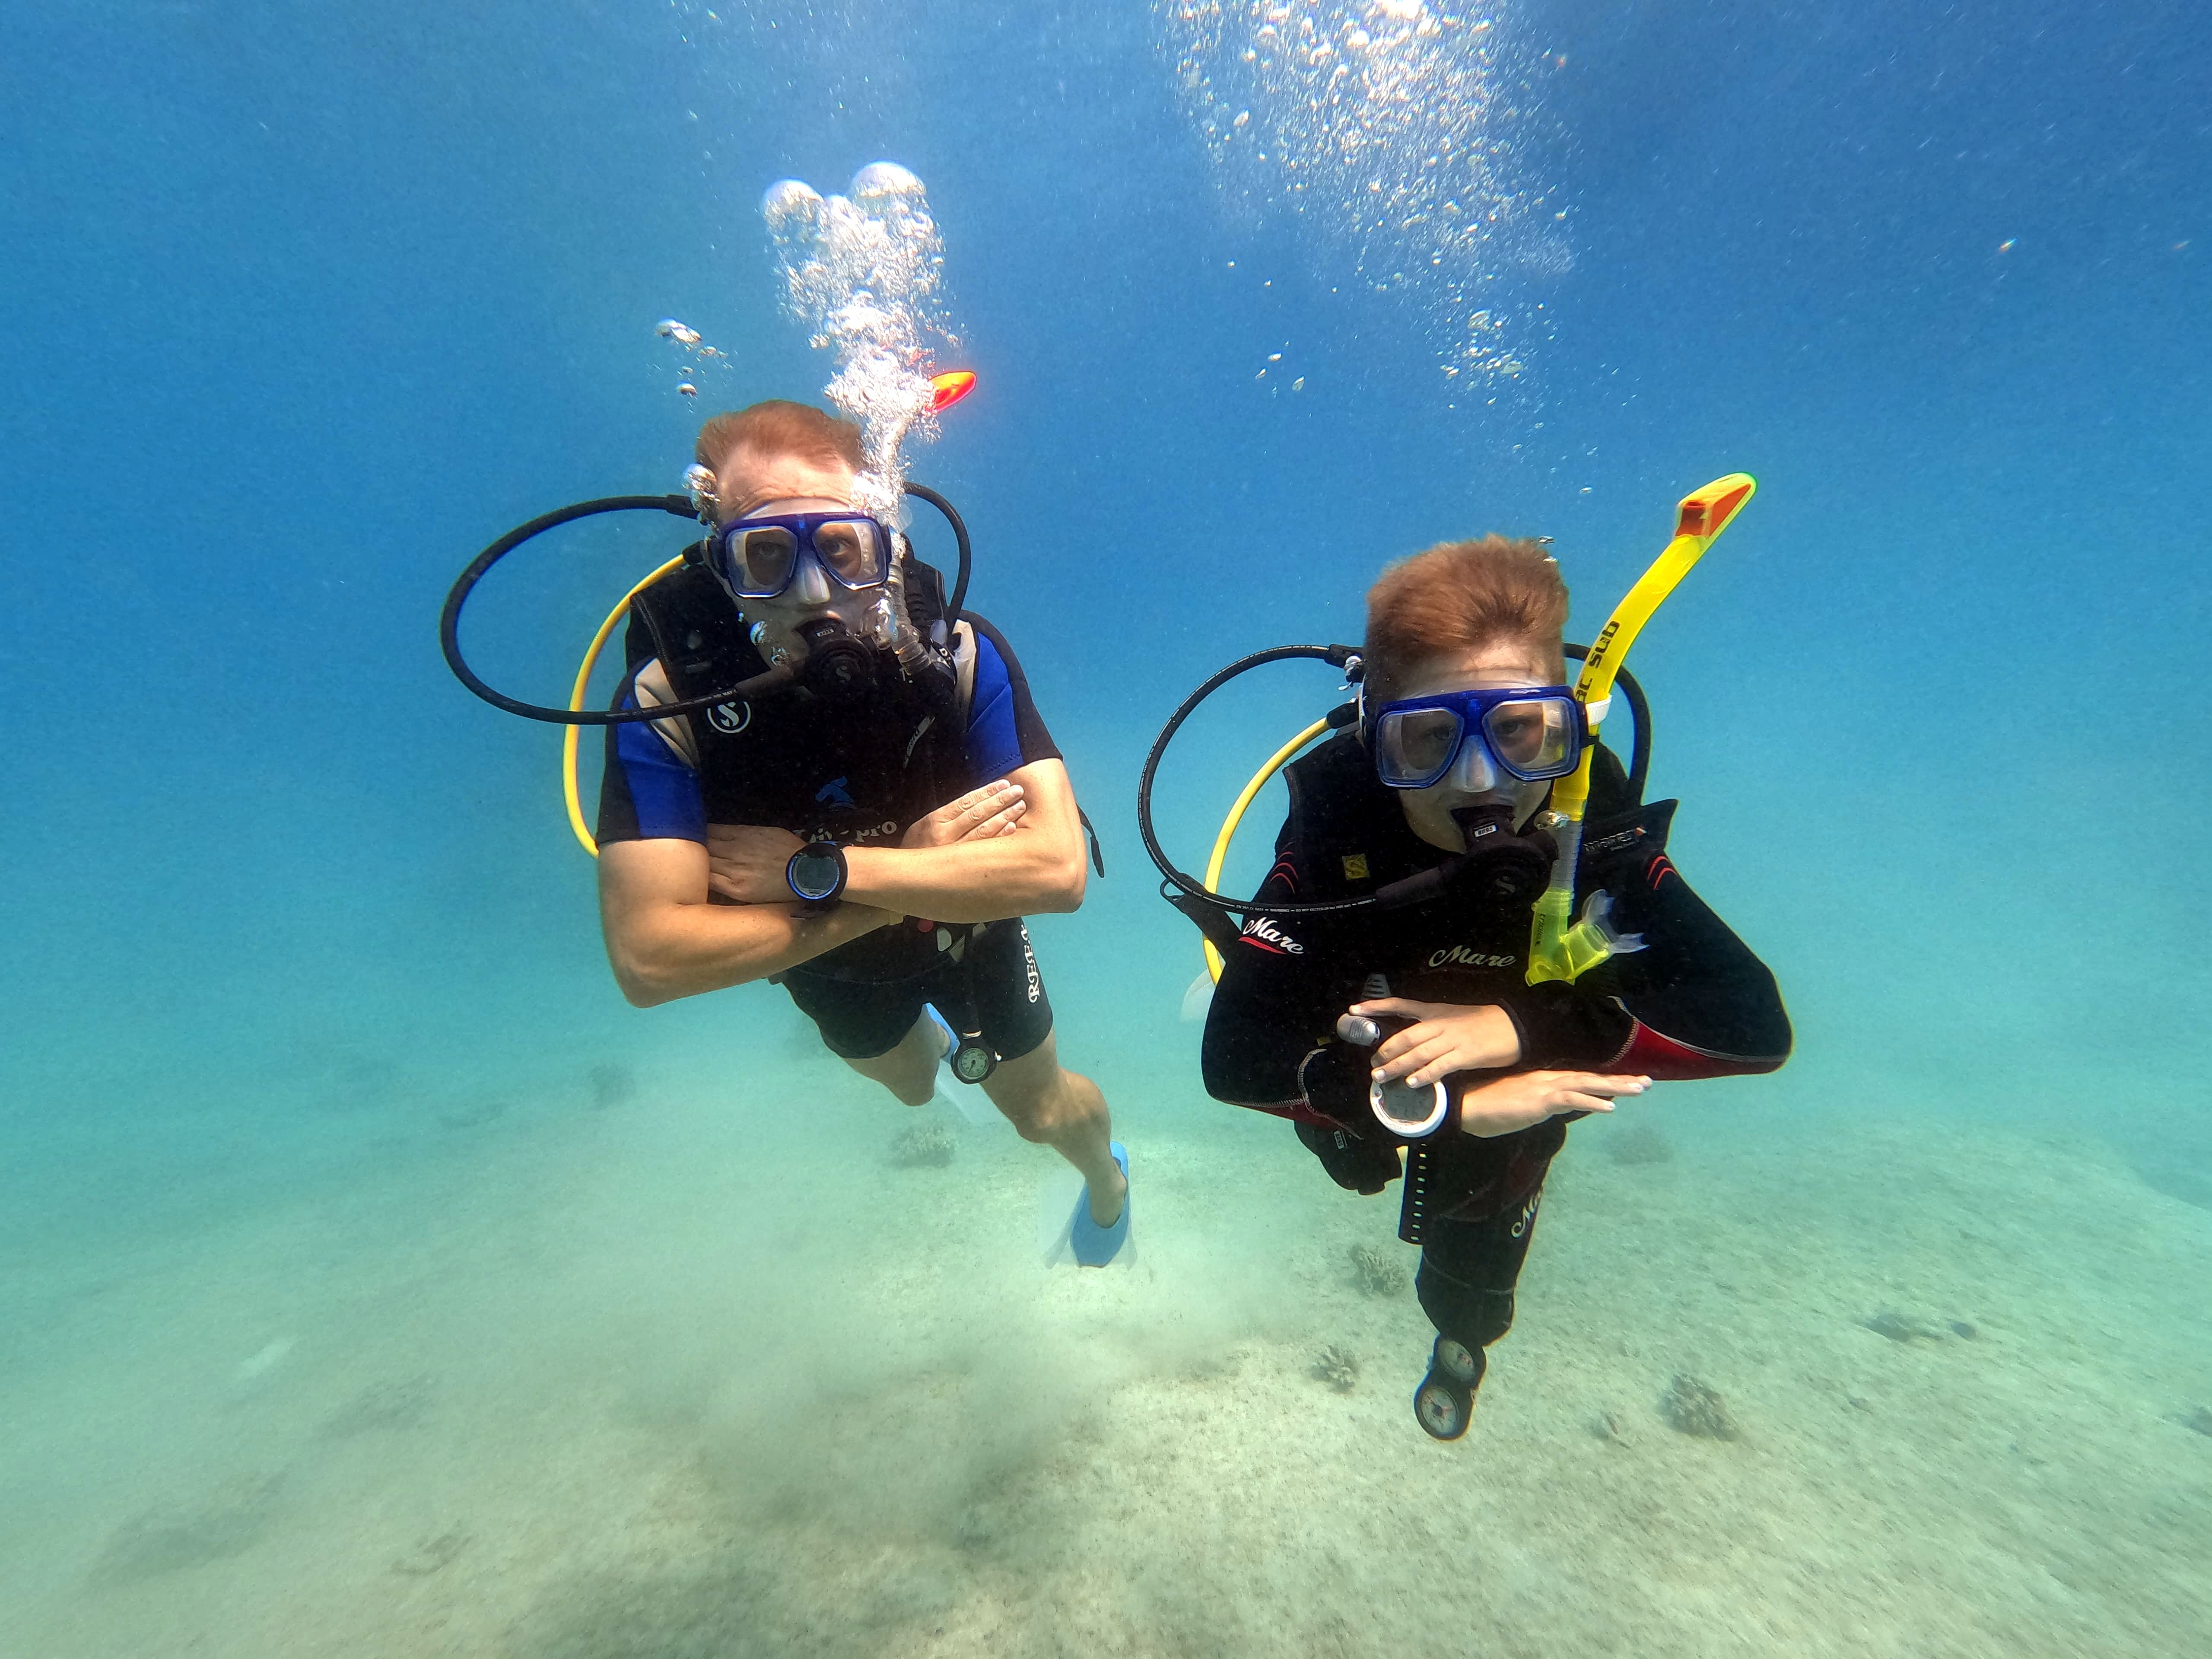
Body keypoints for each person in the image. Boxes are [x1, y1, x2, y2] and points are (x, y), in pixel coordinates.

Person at [1199, 535, 1790, 1435]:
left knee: (1473, 1283)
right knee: (1356, 1160)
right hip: (1367, 1059)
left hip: (1526, 1069)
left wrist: (1524, 1026)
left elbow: (1751, 1022)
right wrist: (1436, 1108)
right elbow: (1236, 1058)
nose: (1481, 783)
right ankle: (1383, 1136)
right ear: (1376, 737)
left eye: (1519, 731)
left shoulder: (1589, 814)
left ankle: (1458, 1343)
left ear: (1569, 728)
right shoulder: (1339, 817)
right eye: (1429, 739)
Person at [593, 399, 1128, 1261]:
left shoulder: (955, 651)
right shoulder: (670, 697)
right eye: (767, 554)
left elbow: (1059, 871)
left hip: (960, 928)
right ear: (721, 564)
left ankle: (1108, 1179)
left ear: (886, 546)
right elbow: (649, 960)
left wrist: (821, 871)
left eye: (841, 550)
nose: (813, 593)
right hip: (832, 953)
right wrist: (894, 880)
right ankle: (940, 1046)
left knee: (1039, 1112)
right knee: (912, 1088)